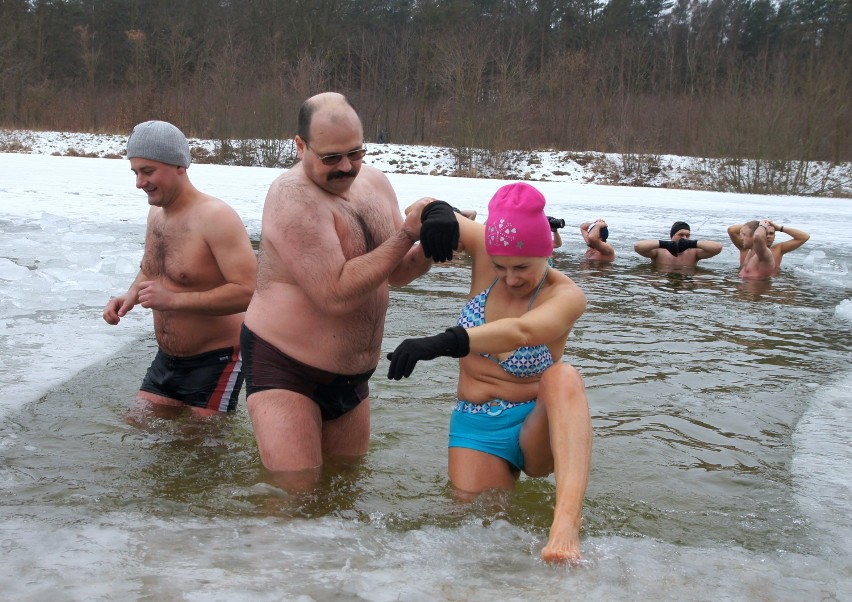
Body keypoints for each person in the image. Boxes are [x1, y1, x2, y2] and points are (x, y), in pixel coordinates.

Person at [240, 92, 457, 489]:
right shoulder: (292, 197)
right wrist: (408, 231)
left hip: (351, 377)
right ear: (301, 145)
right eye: (331, 158)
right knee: (294, 494)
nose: (346, 167)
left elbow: (397, 272)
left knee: (344, 490)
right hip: (287, 367)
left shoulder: (373, 182)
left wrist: (433, 242)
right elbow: (335, 294)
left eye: (355, 154)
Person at [387, 182, 592, 564]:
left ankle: (566, 523)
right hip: (477, 424)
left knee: (564, 376)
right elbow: (422, 205)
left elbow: (523, 332)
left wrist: (441, 342)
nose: (511, 278)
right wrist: (437, 213)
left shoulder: (566, 295)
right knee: (476, 541)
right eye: (499, 267)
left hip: (536, 428)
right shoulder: (484, 245)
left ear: (545, 253)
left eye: (523, 268)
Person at [102, 120, 258, 417]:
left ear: (179, 166)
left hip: (219, 357)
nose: (139, 182)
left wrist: (173, 300)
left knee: (200, 449)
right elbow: (152, 270)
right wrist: (129, 296)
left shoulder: (216, 217)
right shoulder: (156, 214)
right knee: (137, 424)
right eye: (135, 172)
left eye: (148, 171)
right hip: (169, 357)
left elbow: (249, 292)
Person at [727, 219, 809, 271]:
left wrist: (780, 228)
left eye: (771, 233)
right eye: (765, 233)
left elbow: (804, 237)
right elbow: (732, 230)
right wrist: (758, 225)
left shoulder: (778, 249)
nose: (768, 236)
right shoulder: (746, 247)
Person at [633, 220, 722, 267]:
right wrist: (665, 244)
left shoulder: (694, 252)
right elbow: (638, 246)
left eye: (687, 235)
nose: (684, 238)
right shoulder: (660, 251)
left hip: (686, 280)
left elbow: (717, 247)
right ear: (672, 235)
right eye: (681, 235)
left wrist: (692, 244)